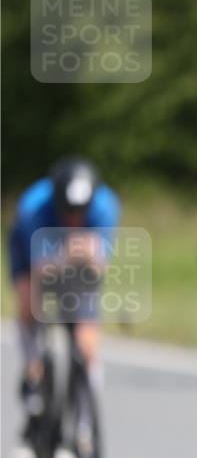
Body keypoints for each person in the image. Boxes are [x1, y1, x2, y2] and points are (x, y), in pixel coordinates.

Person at [8, 157, 120, 434]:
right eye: (67, 213)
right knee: (29, 302)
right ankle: (33, 369)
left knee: (86, 335)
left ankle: (86, 408)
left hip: (78, 265)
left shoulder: (106, 206)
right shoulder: (35, 206)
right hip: (29, 252)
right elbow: (39, 270)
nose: (74, 219)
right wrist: (65, 254)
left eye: (80, 213)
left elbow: (99, 266)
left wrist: (88, 256)